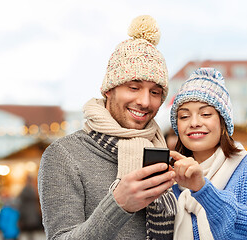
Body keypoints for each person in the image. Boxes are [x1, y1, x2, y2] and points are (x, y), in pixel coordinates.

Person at [38, 15, 176, 240]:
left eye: (155, 92)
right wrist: (118, 204)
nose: (144, 101)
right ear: (109, 90)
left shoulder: (163, 154)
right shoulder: (63, 155)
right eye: (134, 87)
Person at [168, 68, 247, 239]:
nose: (194, 123)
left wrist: (203, 189)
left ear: (223, 123)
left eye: (205, 114)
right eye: (184, 116)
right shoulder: (171, 178)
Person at [18, 175, 42, 240]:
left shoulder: (26, 189)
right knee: (30, 229)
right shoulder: (31, 189)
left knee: (29, 230)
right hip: (29, 212)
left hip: (28, 212)